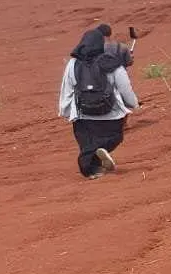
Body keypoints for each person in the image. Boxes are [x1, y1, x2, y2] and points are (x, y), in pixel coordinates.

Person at [57, 29, 139, 179]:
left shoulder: (73, 64)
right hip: (110, 116)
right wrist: (133, 104)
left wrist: (66, 111)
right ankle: (100, 151)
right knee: (115, 137)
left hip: (83, 117)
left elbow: (66, 88)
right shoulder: (112, 63)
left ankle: (92, 169)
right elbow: (125, 89)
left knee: (86, 144)